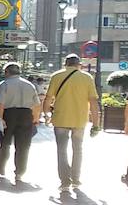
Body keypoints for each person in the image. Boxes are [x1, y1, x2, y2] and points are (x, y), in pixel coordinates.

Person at [42, 54, 100, 197]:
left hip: (61, 118)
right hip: (80, 119)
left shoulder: (56, 76)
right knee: (78, 149)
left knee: (61, 150)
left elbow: (48, 98)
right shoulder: (87, 78)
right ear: (79, 64)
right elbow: (93, 102)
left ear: (65, 64)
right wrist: (96, 124)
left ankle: (64, 181)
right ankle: (76, 179)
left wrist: (46, 114)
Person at [0, 63, 39, 186]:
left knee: (5, 142)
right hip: (26, 114)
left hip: (9, 114)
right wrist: (35, 119)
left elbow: (1, 103)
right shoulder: (29, 85)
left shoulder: (4, 84)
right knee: (23, 146)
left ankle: (1, 166)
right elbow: (36, 104)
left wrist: (0, 118)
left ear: (7, 72)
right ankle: (19, 172)